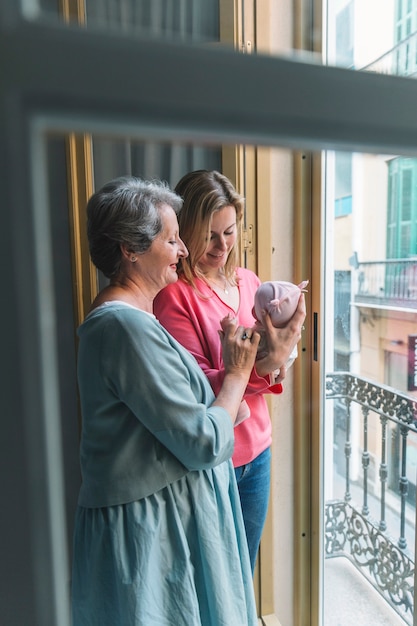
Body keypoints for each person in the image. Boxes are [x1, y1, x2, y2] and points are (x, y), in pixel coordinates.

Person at [71, 175, 261, 626]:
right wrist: (236, 375)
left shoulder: (135, 320)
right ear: (129, 249)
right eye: (172, 239)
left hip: (164, 522)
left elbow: (185, 413)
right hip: (149, 532)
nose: (182, 251)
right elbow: (200, 442)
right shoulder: (123, 327)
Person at [154, 170, 306, 573]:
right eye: (209, 235)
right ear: (185, 231)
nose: (222, 246)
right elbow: (198, 387)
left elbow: (271, 367)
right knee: (216, 576)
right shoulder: (174, 297)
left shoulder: (250, 282)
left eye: (230, 232)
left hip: (259, 449)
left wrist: (279, 359)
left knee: (245, 568)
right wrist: (267, 363)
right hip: (214, 456)